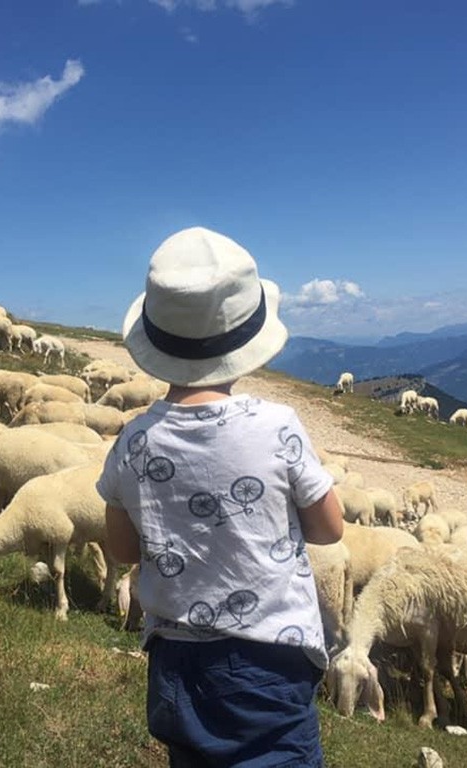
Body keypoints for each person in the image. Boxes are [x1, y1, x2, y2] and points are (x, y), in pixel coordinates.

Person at [97, 226, 344, 767]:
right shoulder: (280, 426)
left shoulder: (133, 441)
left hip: (175, 665)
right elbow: (330, 529)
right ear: (246, 344)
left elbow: (119, 550)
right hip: (269, 660)